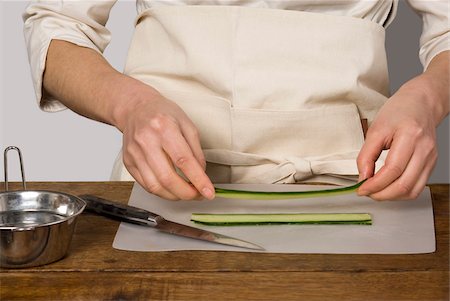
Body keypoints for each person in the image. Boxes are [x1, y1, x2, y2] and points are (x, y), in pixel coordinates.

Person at [23, 1, 449, 201]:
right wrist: (129, 105)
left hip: (354, 178)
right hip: (167, 180)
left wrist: (426, 96)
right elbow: (58, 24)